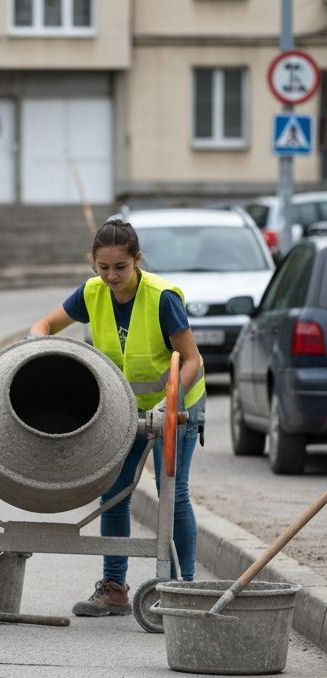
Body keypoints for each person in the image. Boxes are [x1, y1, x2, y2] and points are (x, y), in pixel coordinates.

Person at [28, 216, 206, 617]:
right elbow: (46, 324)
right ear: (92, 262)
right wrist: (33, 343)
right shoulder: (91, 293)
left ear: (137, 260)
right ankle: (113, 588)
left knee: (172, 496)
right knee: (114, 493)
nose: (111, 276)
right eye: (102, 267)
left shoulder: (162, 298)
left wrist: (169, 404)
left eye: (120, 267)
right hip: (124, 410)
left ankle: (183, 589)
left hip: (175, 408)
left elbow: (192, 360)